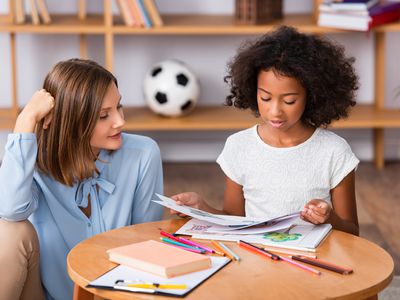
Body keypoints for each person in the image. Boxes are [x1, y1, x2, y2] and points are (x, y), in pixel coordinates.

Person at [171, 26, 360, 236]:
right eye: (265, 98)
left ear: (313, 95)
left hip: (315, 260)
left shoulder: (333, 151)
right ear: (253, 91)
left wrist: (330, 218)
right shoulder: (239, 146)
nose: (275, 111)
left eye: (289, 100)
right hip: (259, 260)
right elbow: (234, 219)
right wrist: (201, 208)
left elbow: (352, 232)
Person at [0, 59, 164, 300]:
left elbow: (145, 243)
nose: (120, 121)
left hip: (116, 294)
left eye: (119, 107)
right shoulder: (34, 161)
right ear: (71, 121)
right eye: (103, 116)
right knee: (11, 233)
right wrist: (26, 120)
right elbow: (10, 210)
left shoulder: (143, 154)